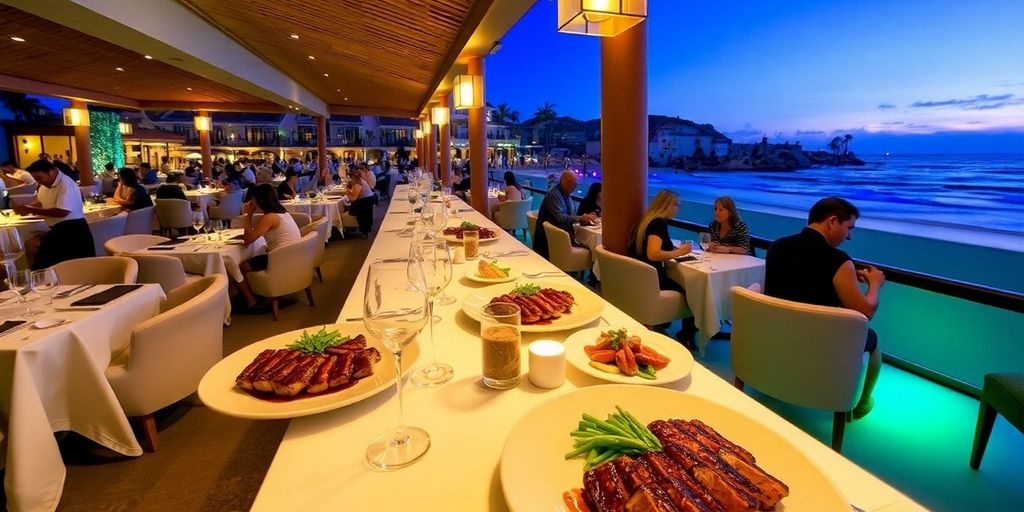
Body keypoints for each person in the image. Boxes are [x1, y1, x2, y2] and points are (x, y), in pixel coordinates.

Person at [764, 197, 884, 418]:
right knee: (872, 337)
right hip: (820, 348)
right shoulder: (837, 260)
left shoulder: (777, 247)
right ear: (832, 221)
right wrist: (875, 284)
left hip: (777, 339)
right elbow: (866, 312)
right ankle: (862, 403)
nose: (849, 236)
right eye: (849, 228)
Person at [14, 159, 95, 269]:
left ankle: (36, 275)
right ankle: (34, 275)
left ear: (51, 172)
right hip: (59, 229)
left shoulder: (65, 184)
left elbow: (62, 212)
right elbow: (42, 203)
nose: (38, 182)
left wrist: (30, 209)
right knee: (31, 245)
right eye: (36, 179)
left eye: (39, 178)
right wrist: (28, 207)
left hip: (73, 232)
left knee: (59, 266)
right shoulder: (44, 186)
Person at [234, 184, 301, 309]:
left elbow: (248, 240)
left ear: (261, 200)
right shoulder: (282, 213)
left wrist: (248, 215)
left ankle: (251, 300)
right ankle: (255, 292)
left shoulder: (269, 217)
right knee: (256, 253)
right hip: (292, 255)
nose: (252, 203)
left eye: (254, 200)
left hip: (280, 258)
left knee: (241, 266)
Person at [627, 190, 692, 294]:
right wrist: (680, 252)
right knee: (691, 291)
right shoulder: (658, 223)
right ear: (664, 204)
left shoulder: (645, 220)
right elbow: (653, 254)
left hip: (638, 276)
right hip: (653, 280)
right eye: (675, 205)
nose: (677, 209)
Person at [533, 170, 597, 259]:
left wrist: (584, 218)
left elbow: (570, 216)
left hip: (559, 237)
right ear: (566, 182)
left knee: (589, 245)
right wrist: (580, 218)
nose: (575, 187)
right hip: (549, 240)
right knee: (591, 248)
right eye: (574, 184)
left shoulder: (565, 195)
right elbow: (561, 218)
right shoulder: (554, 195)